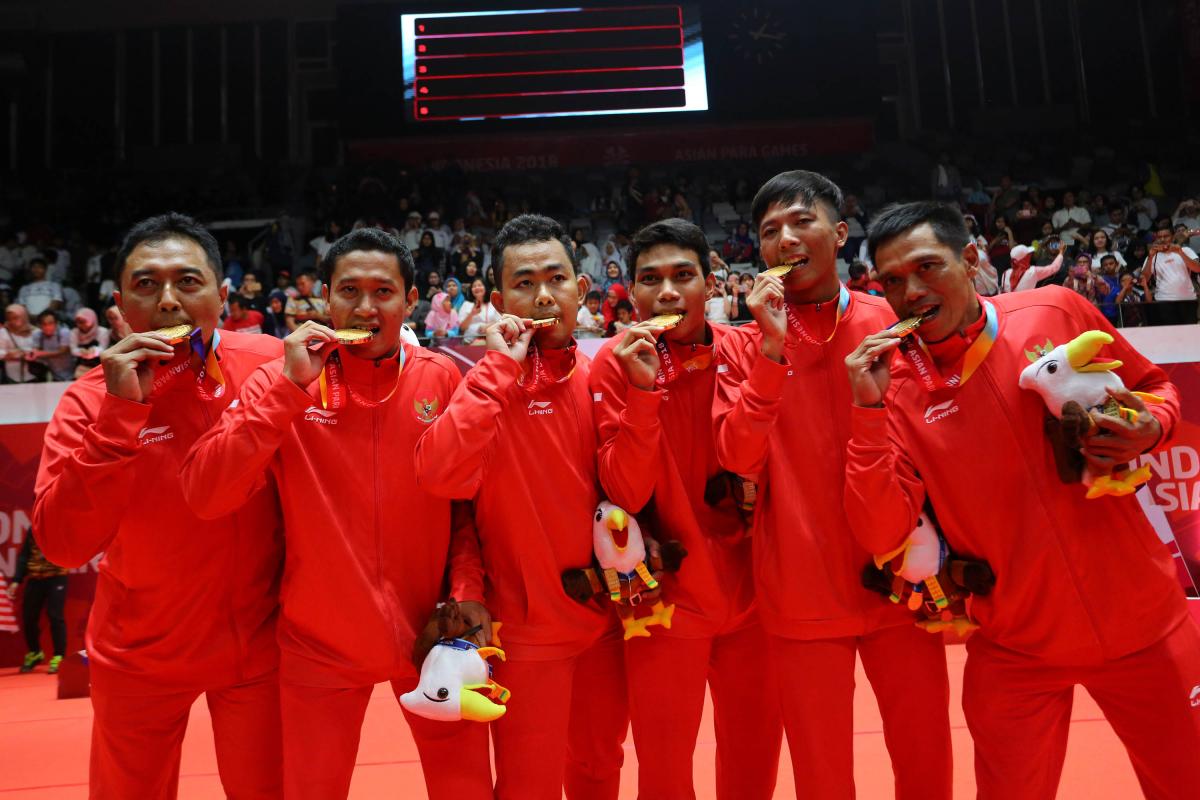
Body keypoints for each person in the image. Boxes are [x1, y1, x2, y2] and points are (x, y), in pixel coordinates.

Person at [843, 200, 1200, 800]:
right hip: (1015, 650)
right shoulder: (895, 386)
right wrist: (867, 411)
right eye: (894, 282)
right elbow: (881, 531)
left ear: (970, 258)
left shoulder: (1053, 310)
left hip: (1148, 628)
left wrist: (1151, 425)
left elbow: (1153, 386)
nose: (912, 291)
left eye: (928, 267)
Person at [181, 227, 492, 800]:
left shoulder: (443, 377)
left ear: (410, 301)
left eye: (383, 291)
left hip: (433, 636)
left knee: (467, 790)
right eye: (349, 290)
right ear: (324, 297)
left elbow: (465, 510)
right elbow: (207, 494)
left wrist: (467, 589)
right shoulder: (282, 379)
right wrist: (287, 390)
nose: (366, 307)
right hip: (317, 645)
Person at [713, 171, 952, 800]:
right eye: (770, 232)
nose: (786, 239)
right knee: (821, 774)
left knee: (925, 757)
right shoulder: (742, 345)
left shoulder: (894, 320)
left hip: (900, 577)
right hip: (799, 587)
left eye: (801, 222)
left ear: (840, 234)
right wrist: (770, 349)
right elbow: (737, 453)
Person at [33, 212, 285, 798]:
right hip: (139, 657)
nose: (168, 300)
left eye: (188, 282)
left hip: (262, 651)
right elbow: (63, 545)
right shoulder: (87, 400)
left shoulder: (274, 363)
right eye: (147, 285)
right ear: (120, 304)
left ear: (222, 296)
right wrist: (118, 419)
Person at [413, 214, 627, 800]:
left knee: (600, 769)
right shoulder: (479, 386)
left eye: (556, 278)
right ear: (498, 298)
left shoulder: (604, 374)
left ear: (581, 291)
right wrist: (499, 370)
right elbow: (439, 478)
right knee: (528, 784)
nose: (542, 295)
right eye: (524, 282)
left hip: (609, 625)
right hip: (526, 635)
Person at [591, 218, 783, 799]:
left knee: (753, 762)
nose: (668, 292)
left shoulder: (752, 347)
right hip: (665, 598)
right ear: (631, 292)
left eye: (683, 276)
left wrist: (773, 356)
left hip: (756, 594)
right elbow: (624, 491)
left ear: (712, 283)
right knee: (665, 770)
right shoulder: (612, 363)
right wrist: (644, 394)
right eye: (651, 279)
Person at [8, 532, 69, 674]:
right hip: (35, 579)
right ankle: (35, 653)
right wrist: (17, 580)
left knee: (55, 616)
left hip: (57, 577)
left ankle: (59, 656)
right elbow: (24, 556)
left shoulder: (61, 528)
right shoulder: (34, 529)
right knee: (29, 617)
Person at [1142, 223, 1199, 325]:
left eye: (1166, 236)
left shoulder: (1186, 250)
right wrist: (1150, 257)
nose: (1162, 239)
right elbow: (1144, 279)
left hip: (1188, 299)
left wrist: (1180, 252)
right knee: (1170, 335)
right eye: (1160, 237)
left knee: (1189, 334)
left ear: (1172, 237)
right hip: (1164, 301)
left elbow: (1197, 268)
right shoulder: (1152, 256)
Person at [1000, 244, 1064, 293]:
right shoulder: (1033, 272)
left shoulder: (1005, 273)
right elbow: (1054, 268)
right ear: (1026, 258)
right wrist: (1061, 253)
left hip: (1009, 308)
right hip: (1026, 307)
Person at [30, 310, 73, 381]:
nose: (47, 327)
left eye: (50, 323)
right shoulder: (37, 334)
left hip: (70, 374)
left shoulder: (64, 332)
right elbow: (35, 352)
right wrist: (31, 354)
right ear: (40, 325)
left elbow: (62, 351)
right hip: (52, 375)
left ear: (56, 323)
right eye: (44, 324)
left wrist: (40, 353)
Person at [0, 304, 39, 383]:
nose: (12, 321)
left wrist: (26, 353)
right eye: (9, 319)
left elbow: (40, 350)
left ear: (24, 316)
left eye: (16, 318)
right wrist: (8, 354)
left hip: (33, 374)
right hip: (11, 375)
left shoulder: (36, 332)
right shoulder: (3, 332)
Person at [69, 307, 111, 379]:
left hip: (99, 365)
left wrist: (94, 351)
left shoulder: (102, 331)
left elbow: (103, 349)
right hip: (82, 365)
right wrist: (81, 351)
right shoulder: (74, 332)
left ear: (91, 320)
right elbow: (73, 349)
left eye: (83, 322)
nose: (80, 325)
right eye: (78, 322)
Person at [457, 277, 501, 342]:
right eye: (474, 286)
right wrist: (472, 314)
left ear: (485, 287)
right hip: (469, 342)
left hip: (492, 340)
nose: (477, 288)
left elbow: (501, 322)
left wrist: (489, 326)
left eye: (480, 285)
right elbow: (462, 328)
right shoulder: (466, 304)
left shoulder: (493, 303)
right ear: (471, 290)